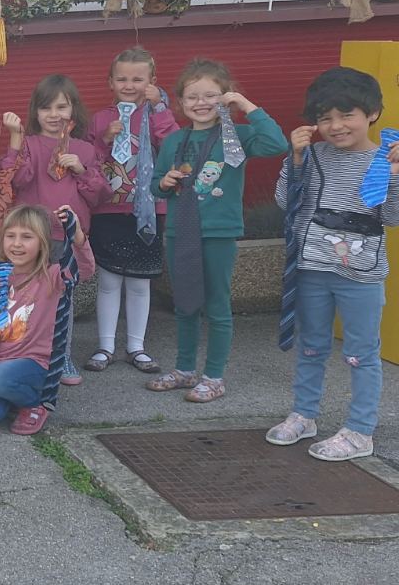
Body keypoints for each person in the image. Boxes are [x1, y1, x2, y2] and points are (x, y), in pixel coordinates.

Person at [268, 67, 399, 460]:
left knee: (362, 353)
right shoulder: (312, 155)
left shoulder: (385, 159)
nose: (336, 126)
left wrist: (395, 176)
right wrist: (295, 158)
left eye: (347, 115)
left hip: (361, 276)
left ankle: (360, 431)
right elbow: (285, 201)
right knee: (311, 347)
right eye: (325, 118)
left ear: (372, 113)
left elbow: (393, 217)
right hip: (312, 268)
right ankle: (304, 415)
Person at [147, 58, 289, 402]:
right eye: (192, 97)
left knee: (217, 305)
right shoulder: (174, 141)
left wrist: (246, 105)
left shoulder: (236, 136)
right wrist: (164, 183)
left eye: (211, 95)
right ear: (181, 102)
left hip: (218, 232)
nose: (201, 103)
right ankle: (185, 370)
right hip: (180, 231)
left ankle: (213, 377)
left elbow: (277, 144)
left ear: (226, 96)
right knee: (185, 304)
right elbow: (155, 186)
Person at [0, 74, 109, 385]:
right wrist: (15, 140)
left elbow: (100, 196)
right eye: (46, 108)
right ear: (36, 112)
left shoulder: (84, 150)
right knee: (25, 297)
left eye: (61, 107)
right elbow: (15, 179)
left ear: (73, 110)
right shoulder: (30, 145)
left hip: (66, 237)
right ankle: (22, 352)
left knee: (62, 301)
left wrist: (81, 170)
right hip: (32, 237)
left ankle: (61, 356)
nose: (54, 114)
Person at [83, 47, 178, 374]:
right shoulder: (99, 118)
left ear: (152, 81)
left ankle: (136, 346)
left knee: (139, 283)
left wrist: (160, 106)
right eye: (122, 78)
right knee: (109, 281)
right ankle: (105, 345)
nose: (129, 85)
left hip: (148, 209)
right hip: (108, 209)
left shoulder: (156, 114)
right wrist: (103, 140)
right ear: (110, 81)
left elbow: (173, 146)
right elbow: (87, 161)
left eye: (138, 79)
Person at [0, 205, 94, 434]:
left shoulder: (52, 276)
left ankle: (34, 403)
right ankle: (12, 395)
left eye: (26, 237)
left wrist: (76, 234)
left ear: (42, 243)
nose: (16, 244)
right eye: (11, 236)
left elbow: (85, 270)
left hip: (34, 361)